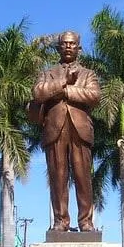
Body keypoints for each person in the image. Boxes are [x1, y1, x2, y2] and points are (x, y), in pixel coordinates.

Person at [32, 31, 100, 232]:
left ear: (79, 48)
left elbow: (94, 96)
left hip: (80, 130)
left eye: (72, 44)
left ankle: (85, 221)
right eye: (64, 44)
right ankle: (61, 221)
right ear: (58, 47)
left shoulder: (88, 74)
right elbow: (38, 93)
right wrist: (63, 82)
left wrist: (67, 91)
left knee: (82, 176)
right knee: (58, 177)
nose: (68, 47)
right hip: (55, 129)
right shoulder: (47, 73)